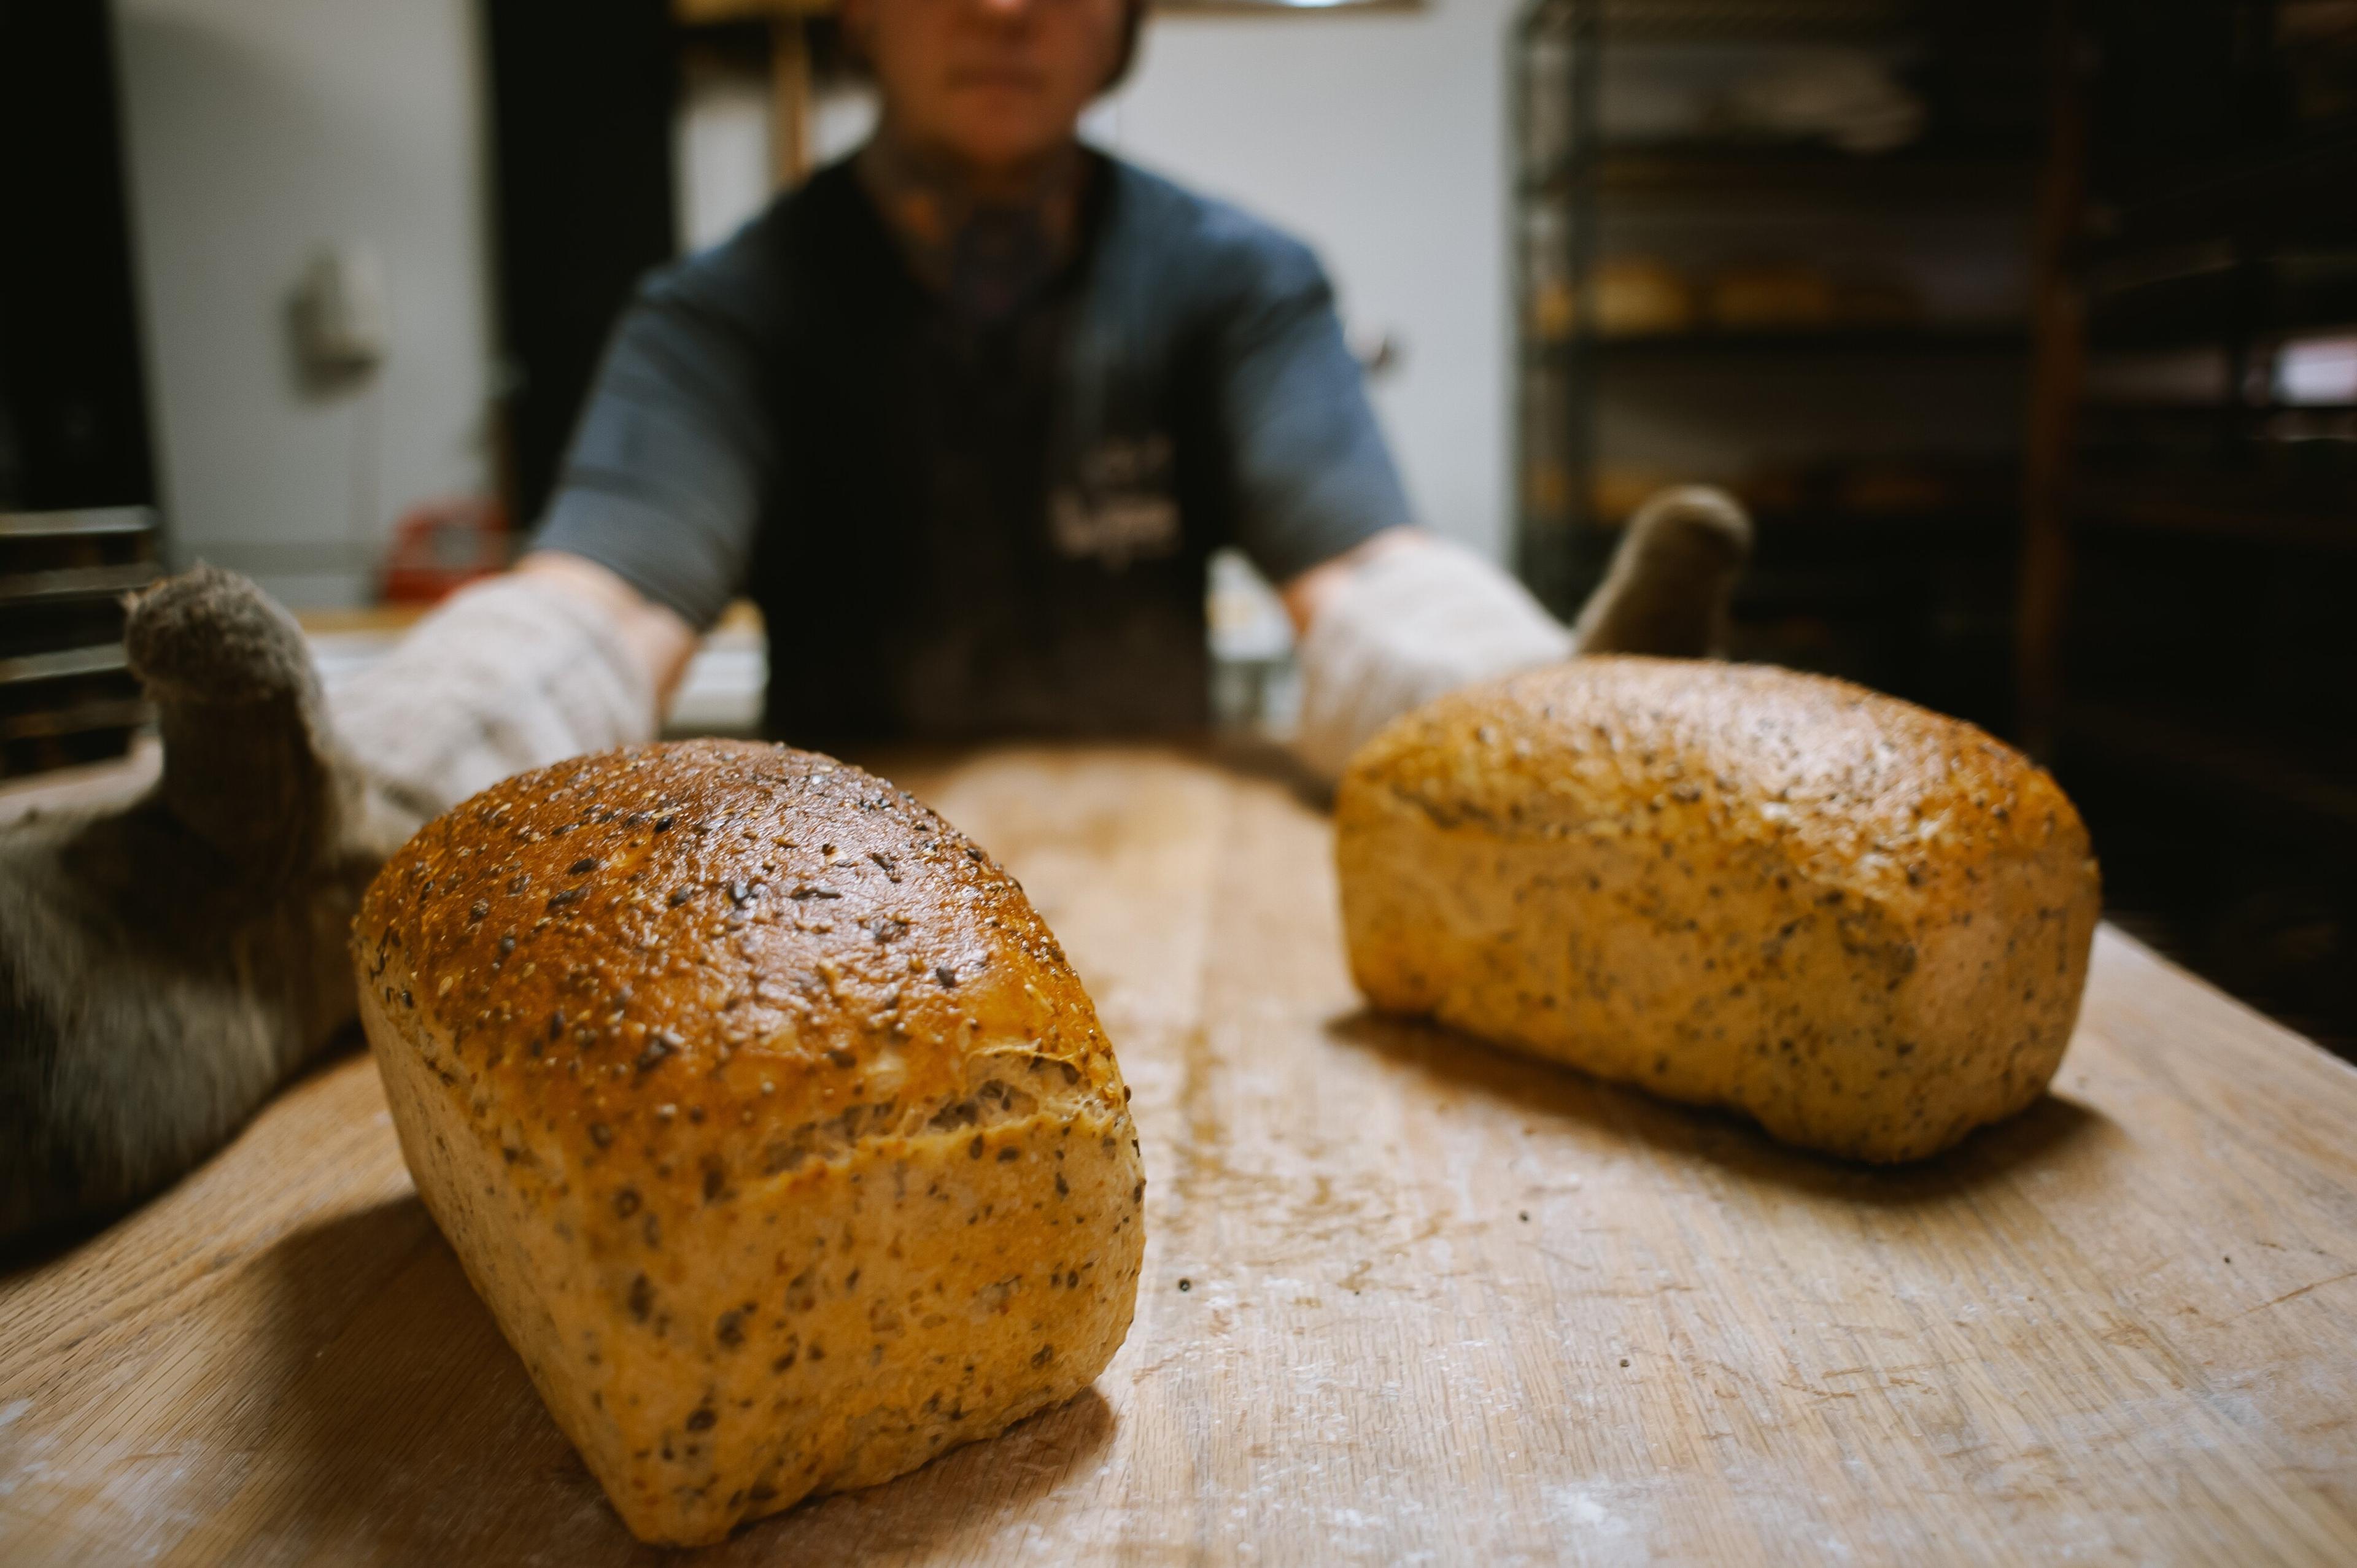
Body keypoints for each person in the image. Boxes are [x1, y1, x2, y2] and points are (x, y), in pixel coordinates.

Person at [0, 0, 1749, 1242]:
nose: (1001, 2)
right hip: (816, 934)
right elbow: (588, 612)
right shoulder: (732, 312)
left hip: (1202, 905)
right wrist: (343, 805)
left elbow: (1368, 585)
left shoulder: (1233, 282)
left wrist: (1539, 713)